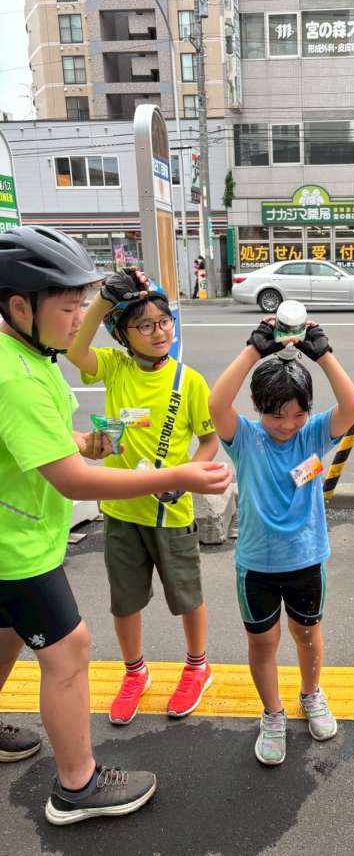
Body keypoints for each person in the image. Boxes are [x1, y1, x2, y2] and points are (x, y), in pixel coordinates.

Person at [0, 226, 232, 825]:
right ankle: (81, 779)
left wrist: (82, 443)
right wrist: (172, 475)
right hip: (33, 540)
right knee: (82, 639)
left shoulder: (30, 355)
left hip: (67, 528)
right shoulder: (35, 373)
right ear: (20, 306)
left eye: (84, 305)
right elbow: (74, 479)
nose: (79, 317)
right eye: (69, 306)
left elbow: (48, 442)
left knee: (8, 633)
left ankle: (196, 664)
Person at [67, 268, 221, 726]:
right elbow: (74, 349)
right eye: (145, 325)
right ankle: (135, 672)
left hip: (170, 511)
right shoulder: (115, 368)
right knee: (125, 600)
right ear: (123, 334)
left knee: (187, 595)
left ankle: (198, 667)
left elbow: (209, 440)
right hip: (120, 509)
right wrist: (102, 300)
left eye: (164, 321)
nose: (159, 332)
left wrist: (187, 477)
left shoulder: (188, 381)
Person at [208, 319, 354, 765]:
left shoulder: (313, 434)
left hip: (306, 560)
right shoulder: (245, 438)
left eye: (297, 413)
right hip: (256, 565)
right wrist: (253, 350)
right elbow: (216, 403)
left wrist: (323, 354)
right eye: (276, 414)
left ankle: (311, 694)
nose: (287, 424)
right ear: (258, 408)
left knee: (308, 634)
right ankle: (272, 713)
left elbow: (352, 406)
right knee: (263, 643)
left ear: (308, 411)